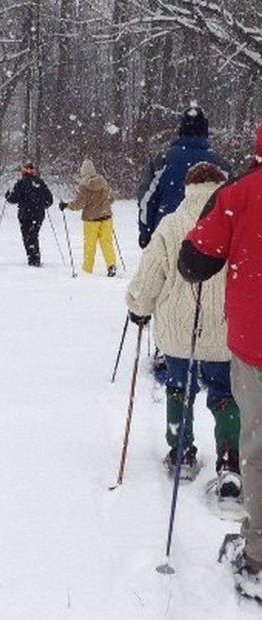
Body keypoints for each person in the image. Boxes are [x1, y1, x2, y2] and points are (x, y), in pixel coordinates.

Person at [178, 123, 262, 602]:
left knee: (258, 449)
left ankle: (258, 554)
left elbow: (195, 260)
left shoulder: (240, 194)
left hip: (256, 345)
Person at [127, 162, 241, 494]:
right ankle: (230, 462)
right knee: (225, 396)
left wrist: (139, 307)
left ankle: (181, 453)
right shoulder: (233, 223)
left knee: (179, 390)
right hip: (223, 331)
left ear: (188, 188)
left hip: (178, 333)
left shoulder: (171, 224)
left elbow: (151, 275)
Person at [137, 103, 231, 249]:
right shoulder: (222, 166)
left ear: (181, 130)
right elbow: (231, 207)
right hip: (207, 243)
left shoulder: (163, 160)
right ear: (205, 131)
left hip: (166, 237)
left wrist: (145, 233)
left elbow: (147, 200)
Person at [59, 159, 116, 277]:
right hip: (106, 217)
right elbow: (111, 198)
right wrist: (103, 204)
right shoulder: (103, 182)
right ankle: (111, 265)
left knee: (90, 245)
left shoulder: (84, 186)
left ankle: (87, 269)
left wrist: (66, 205)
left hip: (91, 220)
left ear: (83, 172)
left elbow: (79, 204)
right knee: (107, 243)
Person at [5, 162, 53, 267]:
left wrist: (7, 195)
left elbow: (13, 199)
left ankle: (33, 258)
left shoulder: (21, 184)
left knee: (27, 236)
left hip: (25, 215)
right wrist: (42, 205)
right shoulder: (40, 183)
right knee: (33, 235)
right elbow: (49, 200)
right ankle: (35, 257)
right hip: (38, 215)